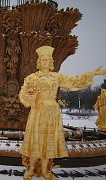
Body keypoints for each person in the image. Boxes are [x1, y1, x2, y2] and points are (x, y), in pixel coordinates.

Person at [19, 46, 106, 180]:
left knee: (48, 142)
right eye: (43, 60)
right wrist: (31, 99)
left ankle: (45, 170)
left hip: (53, 112)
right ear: (39, 62)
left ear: (51, 63)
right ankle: (31, 169)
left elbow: (74, 82)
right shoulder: (32, 78)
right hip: (38, 111)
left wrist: (92, 73)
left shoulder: (56, 76)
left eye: (48, 60)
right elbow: (23, 94)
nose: (45, 63)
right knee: (37, 141)